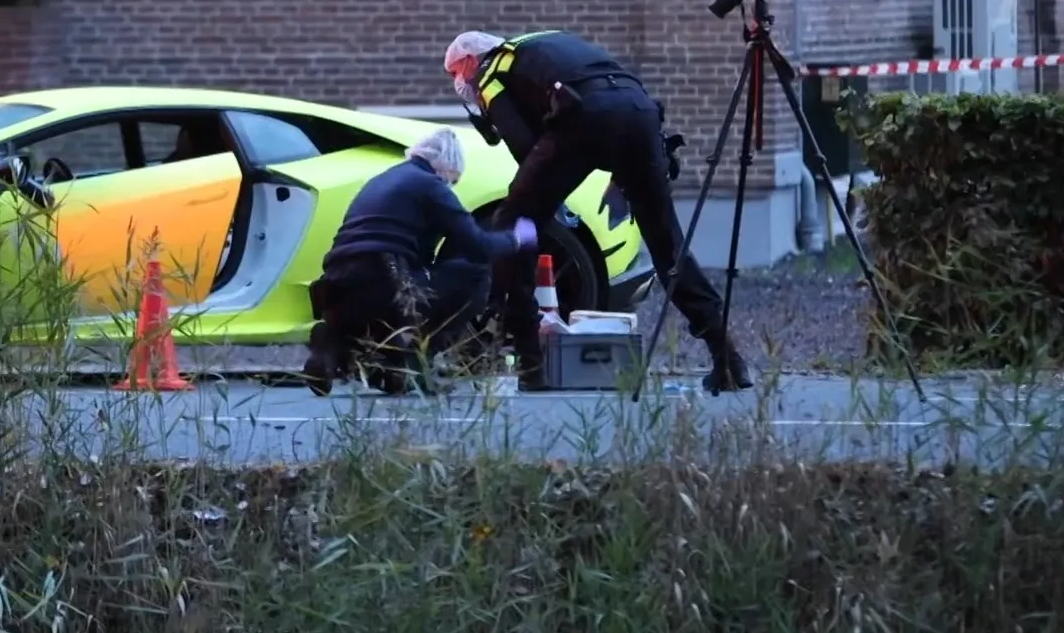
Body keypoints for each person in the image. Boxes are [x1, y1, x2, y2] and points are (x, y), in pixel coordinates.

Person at [443, 29, 755, 395]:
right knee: (667, 244)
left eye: (455, 73)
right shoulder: (542, 43)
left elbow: (525, 147)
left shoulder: (491, 74)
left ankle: (531, 367)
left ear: (468, 61)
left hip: (583, 118)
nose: (458, 82)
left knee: (514, 226)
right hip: (639, 112)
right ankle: (728, 358)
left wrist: (542, 197)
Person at [305, 126, 538, 395]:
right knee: (473, 272)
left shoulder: (381, 180)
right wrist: (517, 239)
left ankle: (335, 344)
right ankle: (418, 359)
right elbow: (479, 246)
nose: (451, 186)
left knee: (404, 286)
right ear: (447, 166)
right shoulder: (431, 186)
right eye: (453, 180)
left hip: (336, 289)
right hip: (386, 283)